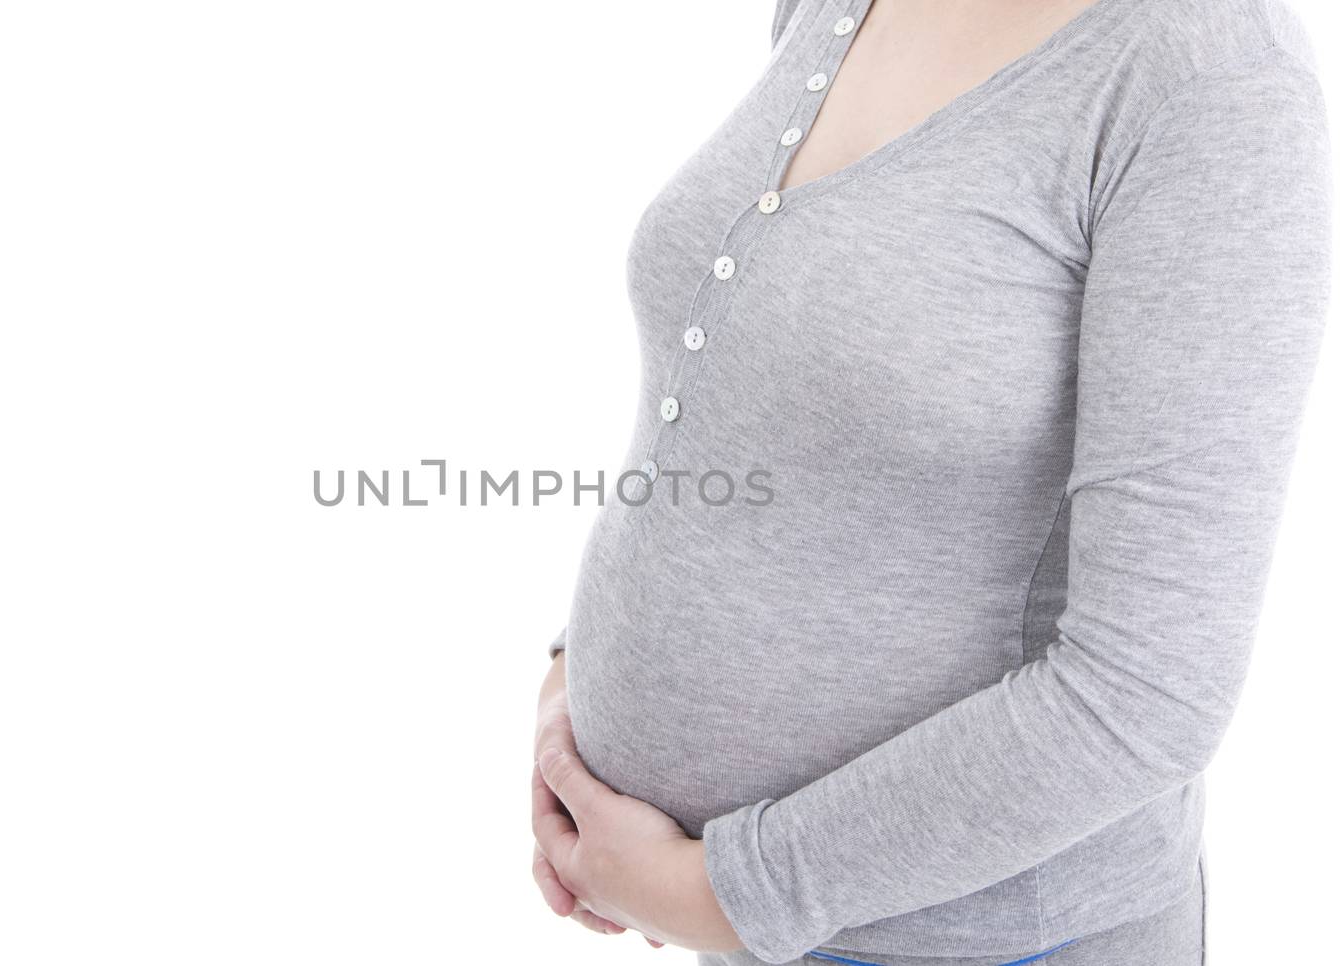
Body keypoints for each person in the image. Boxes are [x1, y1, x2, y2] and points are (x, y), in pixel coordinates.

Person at [529, 0, 1331, 964]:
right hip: (749, 928)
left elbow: (1147, 693)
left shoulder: (1208, 71)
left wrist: (731, 891)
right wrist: (573, 695)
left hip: (989, 944)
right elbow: (773, 385)